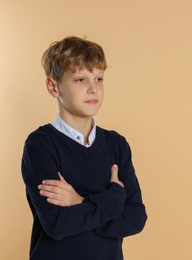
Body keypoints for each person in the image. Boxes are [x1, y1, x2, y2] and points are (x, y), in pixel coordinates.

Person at [21, 36, 147, 260]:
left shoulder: (116, 144)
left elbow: (136, 218)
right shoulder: (40, 145)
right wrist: (115, 196)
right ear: (53, 86)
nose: (93, 89)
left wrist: (79, 201)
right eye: (80, 80)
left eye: (99, 79)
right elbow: (58, 224)